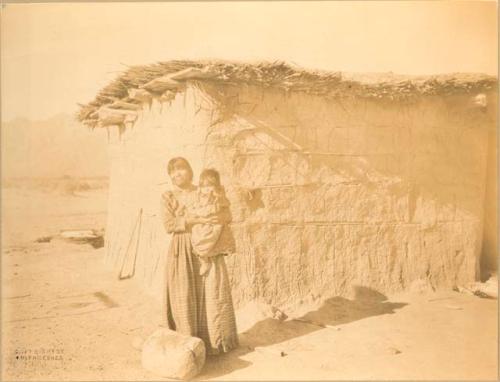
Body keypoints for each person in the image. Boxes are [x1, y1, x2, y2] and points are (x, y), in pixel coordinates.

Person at [160, 157, 238, 355]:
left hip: (207, 246)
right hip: (182, 248)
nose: (177, 174)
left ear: (190, 171)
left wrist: (212, 220)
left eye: (181, 169)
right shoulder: (168, 196)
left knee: (210, 293)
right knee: (184, 293)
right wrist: (192, 219)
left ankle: (214, 343)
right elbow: (169, 224)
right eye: (173, 171)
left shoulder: (204, 190)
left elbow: (224, 213)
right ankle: (188, 344)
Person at [188, 168, 235, 277]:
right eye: (204, 186)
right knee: (197, 237)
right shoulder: (199, 197)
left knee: (214, 237)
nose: (207, 189)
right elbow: (194, 208)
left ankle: (209, 258)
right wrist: (199, 215)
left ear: (216, 186)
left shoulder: (218, 196)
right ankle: (204, 260)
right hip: (203, 224)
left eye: (210, 186)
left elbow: (225, 208)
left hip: (214, 225)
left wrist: (218, 196)